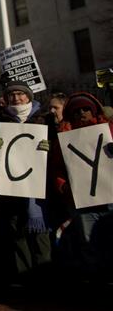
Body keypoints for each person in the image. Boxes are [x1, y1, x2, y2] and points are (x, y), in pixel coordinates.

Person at [0, 81, 51, 283]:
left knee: (40, 234)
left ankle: (44, 277)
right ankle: (25, 277)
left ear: (29, 97)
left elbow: (60, 148)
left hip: (38, 188)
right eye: (12, 95)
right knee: (18, 234)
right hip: (12, 187)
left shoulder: (44, 118)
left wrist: (51, 146)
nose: (16, 98)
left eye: (20, 94)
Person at [48, 92, 113, 278]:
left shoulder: (109, 131)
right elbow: (57, 169)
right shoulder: (64, 137)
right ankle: (98, 280)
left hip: (110, 197)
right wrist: (63, 187)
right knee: (88, 240)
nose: (82, 113)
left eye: (86, 109)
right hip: (81, 200)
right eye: (77, 111)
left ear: (94, 112)